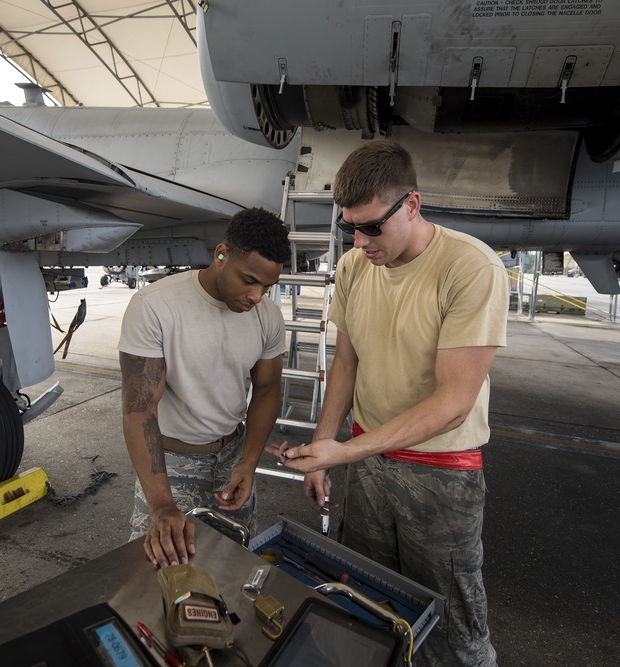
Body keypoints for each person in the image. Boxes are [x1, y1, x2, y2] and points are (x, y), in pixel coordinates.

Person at [274, 140, 508, 666]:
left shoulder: (470, 268)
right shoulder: (358, 267)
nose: (359, 242)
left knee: (452, 629)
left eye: (372, 227)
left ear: (412, 205)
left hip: (441, 473)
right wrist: (323, 445)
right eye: (348, 228)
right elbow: (347, 364)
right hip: (369, 463)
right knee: (370, 604)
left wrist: (343, 453)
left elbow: (453, 403)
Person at [119, 207, 290, 568]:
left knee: (234, 567)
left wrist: (249, 463)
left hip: (232, 457)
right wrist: (162, 505)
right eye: (249, 280)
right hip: (171, 461)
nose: (257, 296)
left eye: (267, 286)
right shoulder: (155, 306)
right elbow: (139, 409)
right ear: (222, 255)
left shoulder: (267, 316)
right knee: (155, 577)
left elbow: (268, 389)